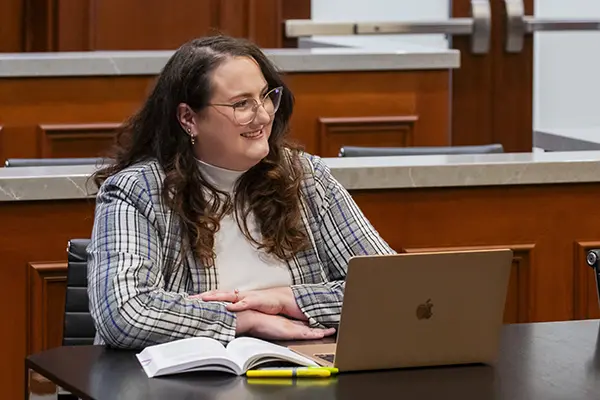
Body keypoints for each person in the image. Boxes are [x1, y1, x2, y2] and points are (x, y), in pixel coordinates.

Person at [87, 35, 395, 350]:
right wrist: (242, 320)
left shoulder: (307, 178)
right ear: (188, 119)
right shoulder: (138, 190)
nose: (263, 116)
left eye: (265, 97)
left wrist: (287, 299)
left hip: (302, 375)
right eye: (241, 104)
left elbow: (392, 288)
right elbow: (124, 313)